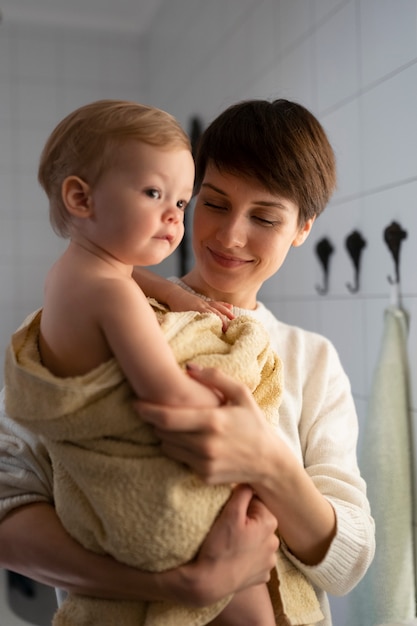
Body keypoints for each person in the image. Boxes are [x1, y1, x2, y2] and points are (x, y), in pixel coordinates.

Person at [0, 98, 375, 625]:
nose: (229, 236)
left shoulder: (310, 360)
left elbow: (349, 564)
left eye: (265, 217)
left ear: (302, 228)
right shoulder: (88, 317)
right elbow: (6, 507)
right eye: (215, 203)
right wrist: (180, 584)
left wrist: (264, 459)